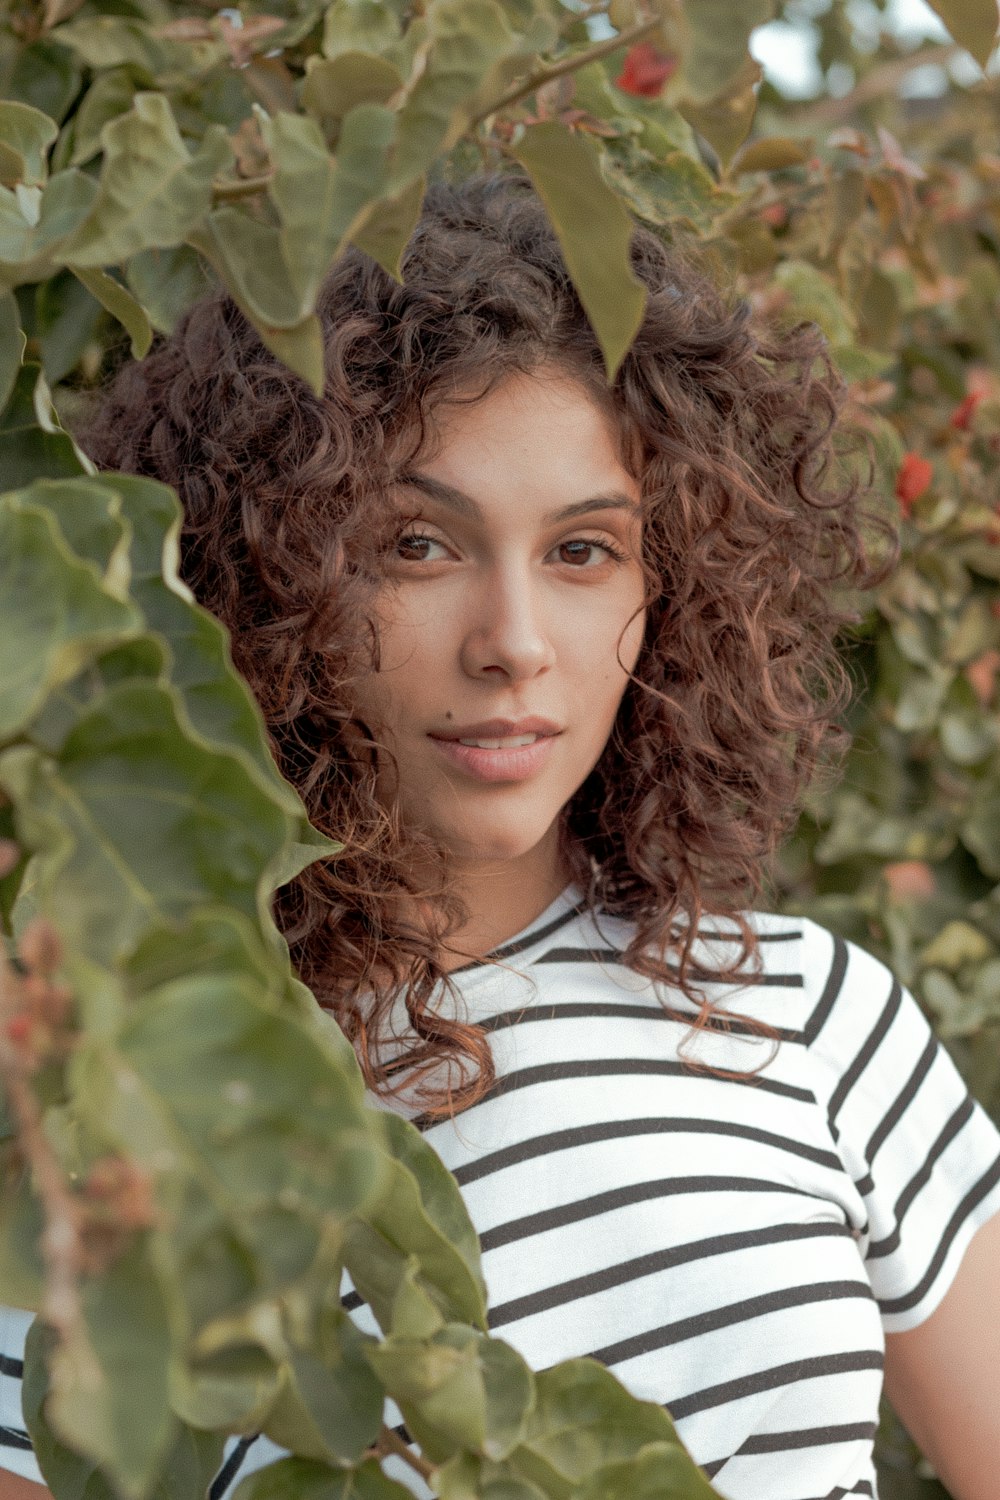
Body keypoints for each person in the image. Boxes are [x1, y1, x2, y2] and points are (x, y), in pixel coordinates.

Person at [2, 176, 999, 1500]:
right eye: (417, 544)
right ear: (271, 573)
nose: (513, 643)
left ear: (669, 594)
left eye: (584, 552)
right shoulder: (111, 1121)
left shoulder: (812, 1016)